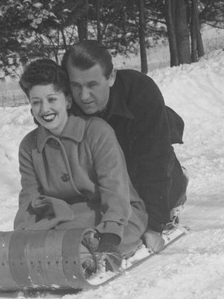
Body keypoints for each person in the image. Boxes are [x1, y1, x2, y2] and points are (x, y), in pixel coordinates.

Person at [13, 59, 148, 267]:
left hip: (116, 215)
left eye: (51, 99)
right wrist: (21, 238)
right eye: (36, 102)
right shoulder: (29, 146)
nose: (45, 109)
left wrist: (111, 235)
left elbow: (115, 188)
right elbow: (29, 198)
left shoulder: (96, 132)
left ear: (67, 100)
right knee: (51, 247)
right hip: (63, 220)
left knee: (86, 247)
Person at [62, 40, 187, 253]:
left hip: (140, 169)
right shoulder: (66, 100)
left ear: (110, 77)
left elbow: (155, 160)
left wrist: (154, 225)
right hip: (104, 179)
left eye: (92, 85)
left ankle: (178, 183)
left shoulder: (140, 92)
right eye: (76, 86)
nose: (83, 96)